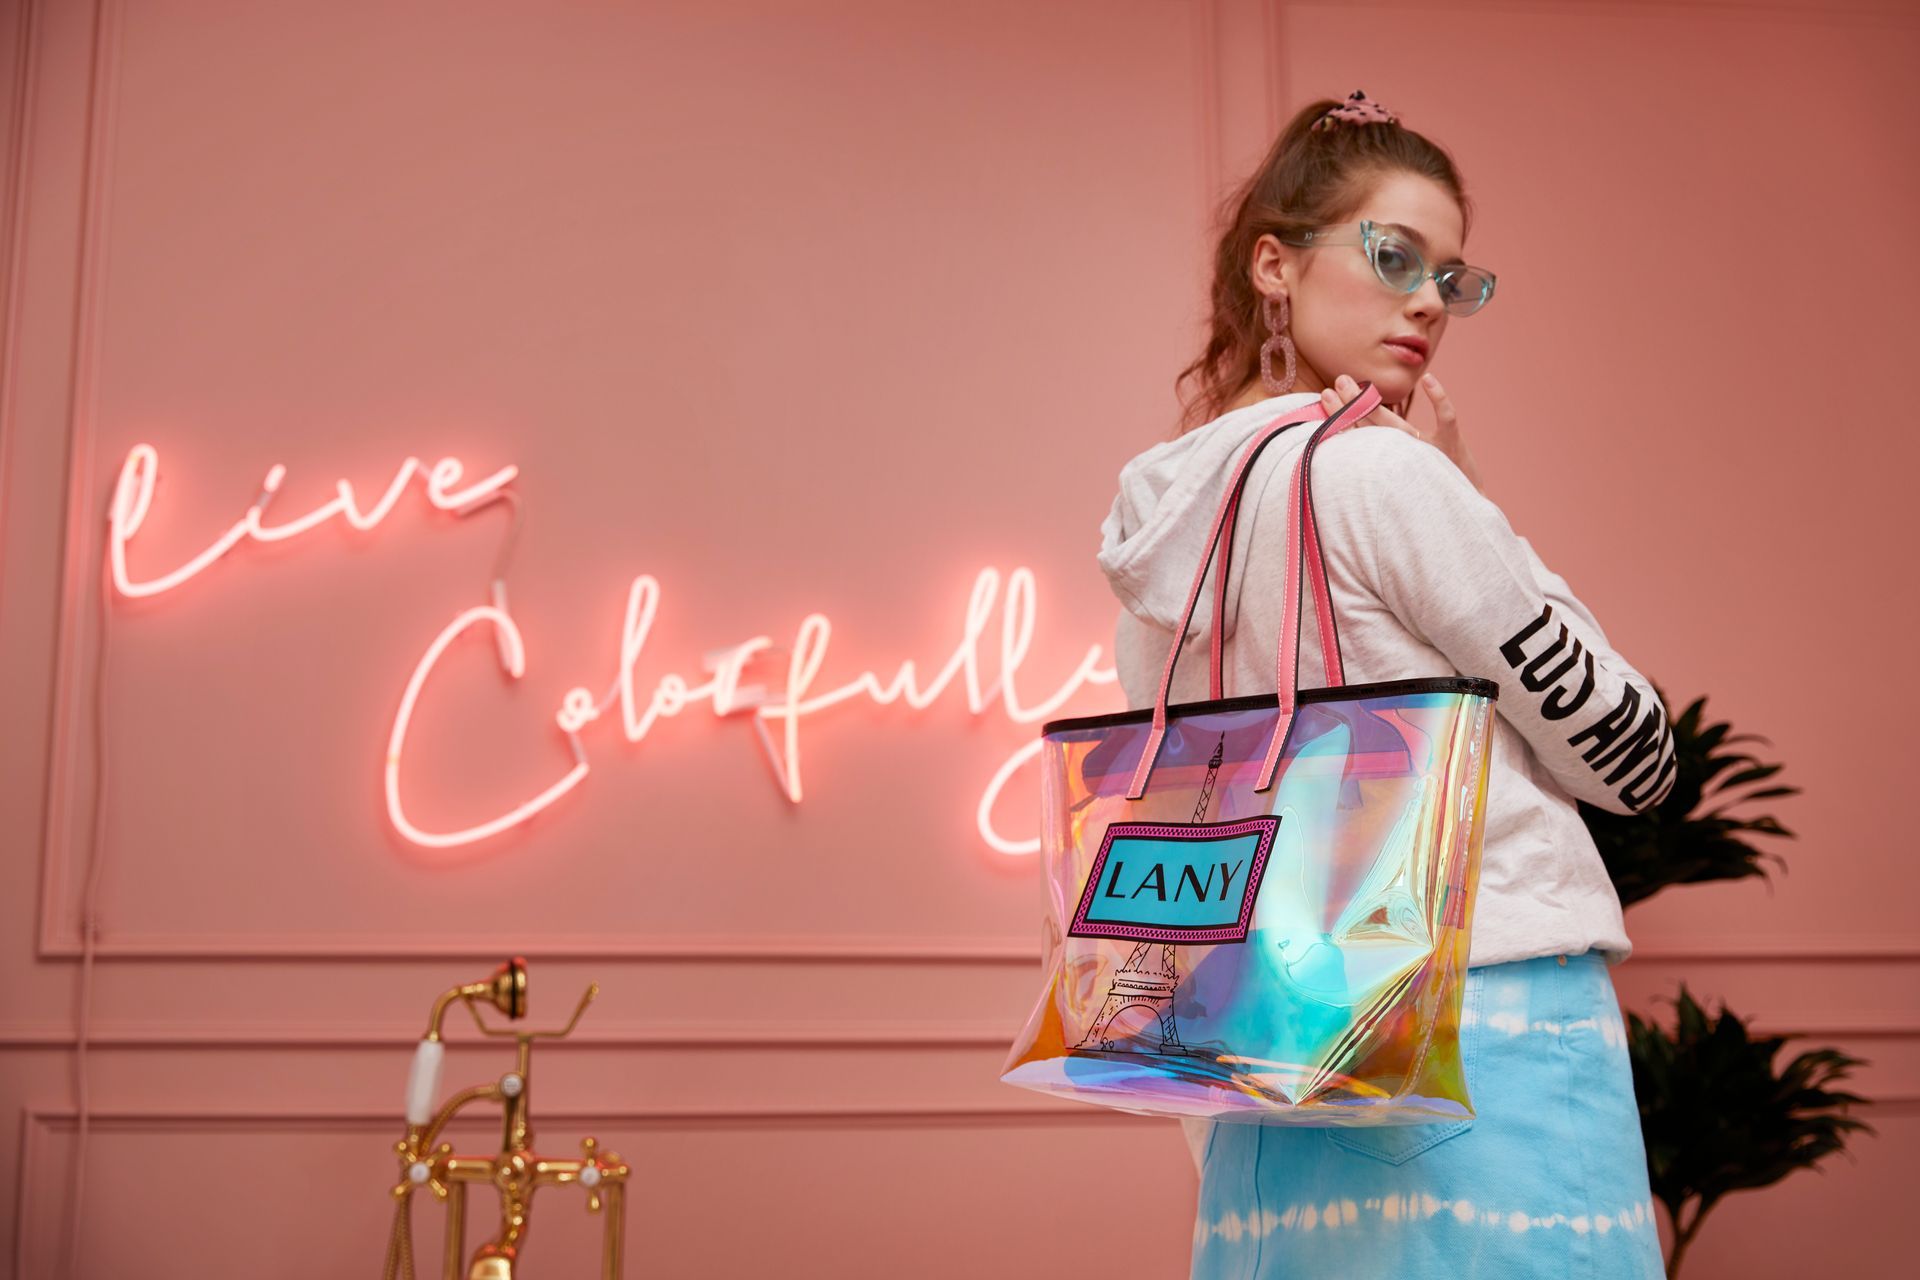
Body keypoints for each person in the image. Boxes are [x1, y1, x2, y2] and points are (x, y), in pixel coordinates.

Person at [1095, 90, 1675, 1278]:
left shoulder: (1169, 515)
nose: (1427, 301)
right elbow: (1634, 757)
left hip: (1265, 1045)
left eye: (1451, 278)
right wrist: (1481, 513)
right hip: (1476, 1027)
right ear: (1276, 262)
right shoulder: (1386, 479)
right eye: (1393, 255)